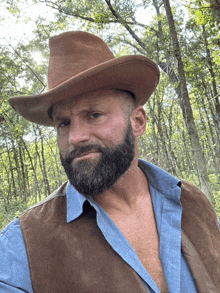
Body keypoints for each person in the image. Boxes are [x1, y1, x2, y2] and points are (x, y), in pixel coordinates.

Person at [0, 31, 220, 293]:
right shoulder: (22, 246)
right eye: (64, 123)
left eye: (94, 115)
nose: (75, 137)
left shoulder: (193, 203)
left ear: (137, 122)